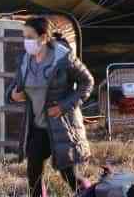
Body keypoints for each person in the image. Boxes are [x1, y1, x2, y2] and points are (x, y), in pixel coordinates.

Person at [9, 16, 94, 196]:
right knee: (33, 176)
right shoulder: (25, 60)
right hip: (37, 127)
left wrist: (63, 106)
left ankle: (90, 193)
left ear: (44, 38)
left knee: (70, 177)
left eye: (30, 37)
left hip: (61, 127)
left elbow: (87, 82)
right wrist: (13, 95)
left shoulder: (64, 58)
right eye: (24, 37)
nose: (26, 42)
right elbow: (15, 85)